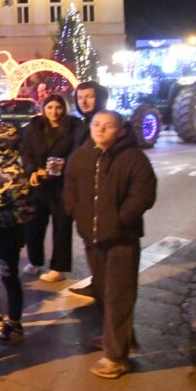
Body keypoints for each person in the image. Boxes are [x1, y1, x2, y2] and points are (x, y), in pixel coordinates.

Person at [64, 111, 157, 378]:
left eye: (108, 126)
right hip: (92, 239)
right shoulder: (81, 156)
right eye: (96, 125)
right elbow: (70, 186)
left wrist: (119, 220)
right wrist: (76, 212)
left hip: (122, 241)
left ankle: (116, 357)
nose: (100, 130)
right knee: (104, 293)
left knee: (119, 295)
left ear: (121, 130)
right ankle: (117, 338)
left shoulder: (133, 158)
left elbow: (144, 195)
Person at [0, 123, 35, 344]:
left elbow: (26, 211)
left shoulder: (15, 174)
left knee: (9, 276)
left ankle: (14, 325)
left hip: (7, 236)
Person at [20, 93, 83, 281]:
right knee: (34, 225)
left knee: (62, 226)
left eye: (58, 107)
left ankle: (59, 268)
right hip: (38, 185)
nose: (54, 112)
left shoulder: (74, 127)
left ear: (64, 108)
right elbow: (25, 152)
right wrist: (32, 171)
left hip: (62, 185)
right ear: (43, 109)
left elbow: (77, 153)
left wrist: (66, 166)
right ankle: (35, 261)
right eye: (49, 108)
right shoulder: (34, 127)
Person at [68, 80, 110, 298]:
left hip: (101, 198)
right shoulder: (83, 124)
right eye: (80, 96)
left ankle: (106, 292)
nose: (84, 101)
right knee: (91, 246)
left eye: (89, 96)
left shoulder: (105, 123)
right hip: (85, 199)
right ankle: (98, 284)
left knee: (103, 248)